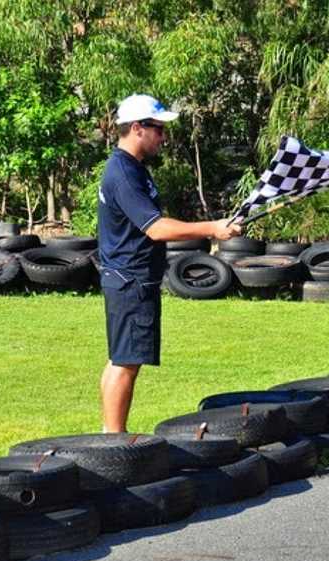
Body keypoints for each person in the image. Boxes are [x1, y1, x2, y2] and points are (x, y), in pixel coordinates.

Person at [97, 94, 242, 433]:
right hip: (130, 279)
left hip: (129, 278)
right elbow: (157, 228)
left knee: (121, 359)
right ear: (137, 128)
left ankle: (108, 434)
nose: (163, 136)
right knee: (126, 362)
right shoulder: (123, 173)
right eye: (158, 129)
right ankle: (113, 442)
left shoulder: (132, 169)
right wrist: (212, 228)